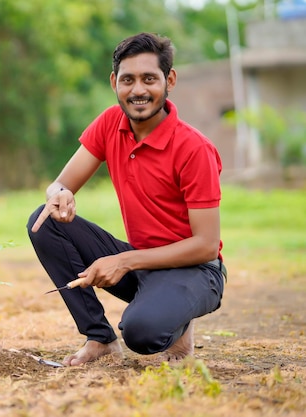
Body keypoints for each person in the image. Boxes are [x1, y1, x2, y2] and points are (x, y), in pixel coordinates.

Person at [27, 32, 226, 367]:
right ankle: (99, 339)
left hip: (195, 272)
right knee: (43, 222)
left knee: (142, 333)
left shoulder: (194, 148)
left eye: (149, 79)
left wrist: (125, 261)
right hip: (141, 264)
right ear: (114, 82)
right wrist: (60, 194)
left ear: (170, 80)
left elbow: (206, 245)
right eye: (127, 79)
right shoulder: (109, 124)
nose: (138, 90)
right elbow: (60, 184)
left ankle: (177, 322)